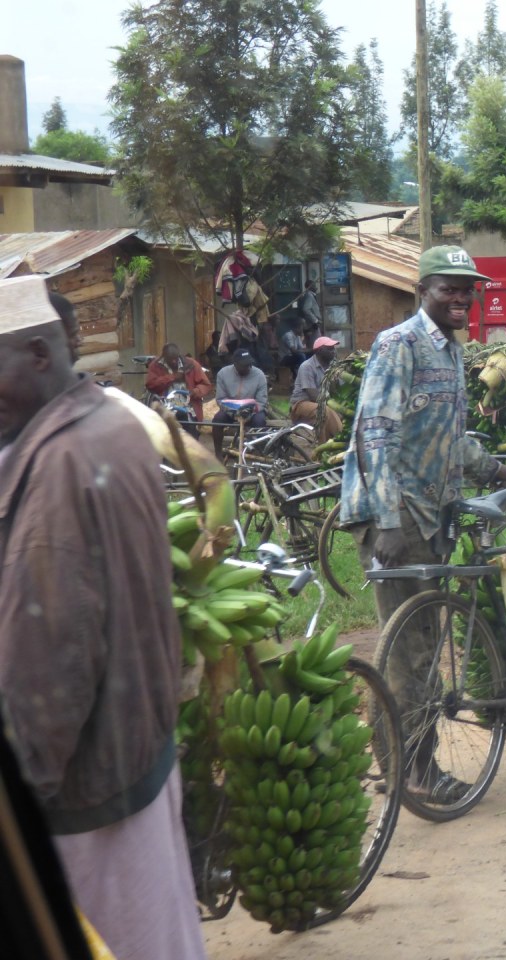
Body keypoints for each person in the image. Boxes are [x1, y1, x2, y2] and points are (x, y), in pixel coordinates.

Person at [0, 274, 206, 960]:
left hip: (87, 805)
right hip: (137, 757)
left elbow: (49, 671)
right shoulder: (109, 422)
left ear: (37, 353)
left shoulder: (59, 469)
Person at [339, 245, 506, 804]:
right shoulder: (399, 345)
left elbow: (446, 437)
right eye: (448, 288)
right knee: (409, 652)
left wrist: (493, 467)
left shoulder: (451, 352)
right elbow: (376, 436)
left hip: (432, 516)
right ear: (423, 290)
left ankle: (411, 764)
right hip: (398, 519)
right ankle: (412, 772)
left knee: (422, 646)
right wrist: (386, 522)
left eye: (468, 289)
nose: (461, 298)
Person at [211, 347, 269, 460]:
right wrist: (232, 411)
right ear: (235, 364)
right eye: (244, 365)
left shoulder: (259, 375)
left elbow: (262, 401)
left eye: (249, 364)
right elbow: (220, 399)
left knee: (260, 421)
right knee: (217, 420)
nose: (248, 367)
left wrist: (249, 412)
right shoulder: (223, 374)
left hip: (253, 411)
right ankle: (218, 453)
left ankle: (259, 453)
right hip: (230, 410)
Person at [145, 342, 213, 437]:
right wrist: (173, 377)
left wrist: (196, 391)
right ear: (164, 357)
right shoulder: (156, 365)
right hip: (165, 405)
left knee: (192, 434)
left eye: (175, 359)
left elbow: (206, 384)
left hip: (189, 406)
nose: (173, 361)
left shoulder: (191, 364)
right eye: (170, 359)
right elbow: (151, 385)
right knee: (164, 435)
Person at [290, 335, 342, 442]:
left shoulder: (333, 366)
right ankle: (325, 446)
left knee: (337, 413)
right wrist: (334, 406)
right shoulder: (307, 366)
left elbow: (338, 390)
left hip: (323, 403)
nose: (333, 351)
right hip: (301, 404)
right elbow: (313, 395)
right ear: (319, 351)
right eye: (329, 349)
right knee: (323, 412)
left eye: (333, 349)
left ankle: (337, 441)